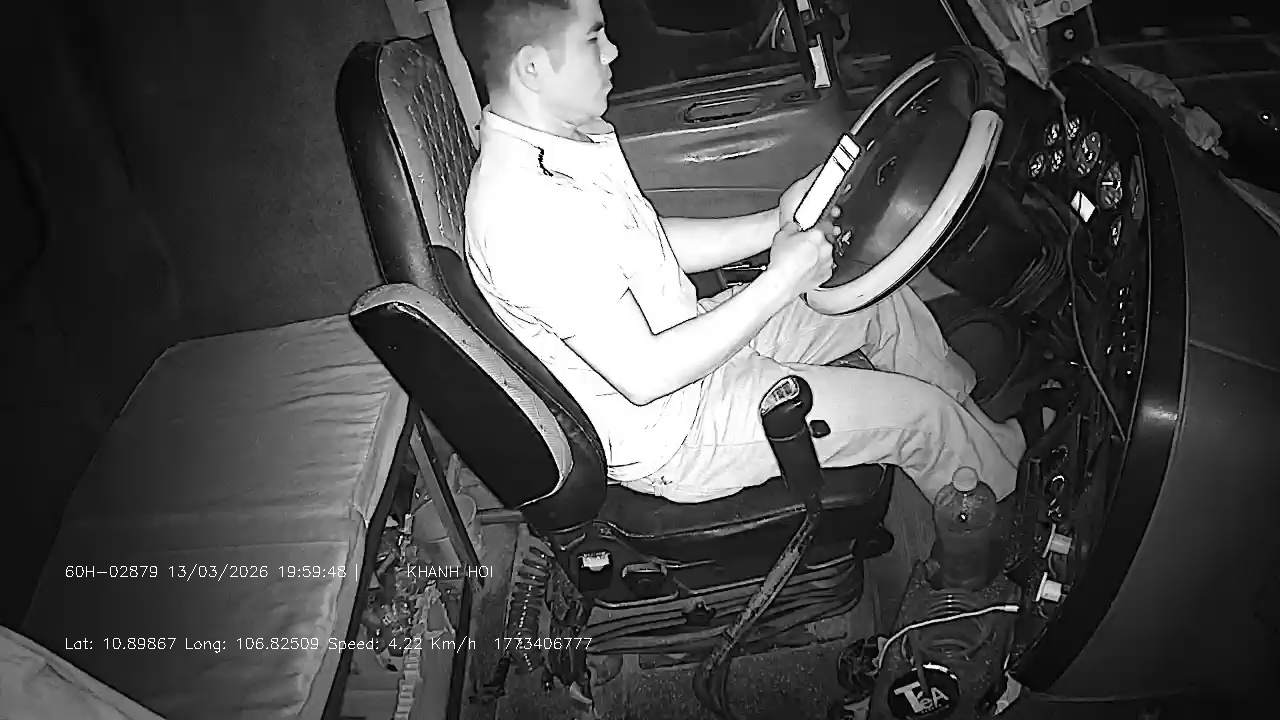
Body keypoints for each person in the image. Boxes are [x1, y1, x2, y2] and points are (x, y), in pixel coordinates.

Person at [463, 0, 1025, 504]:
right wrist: (781, 280)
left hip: (688, 337)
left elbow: (645, 244)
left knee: (876, 302)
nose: (612, 51)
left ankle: (971, 415)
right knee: (919, 420)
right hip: (677, 427)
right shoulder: (526, 216)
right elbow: (647, 374)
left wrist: (774, 224)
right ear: (533, 67)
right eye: (592, 38)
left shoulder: (562, 142)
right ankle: (1004, 506)